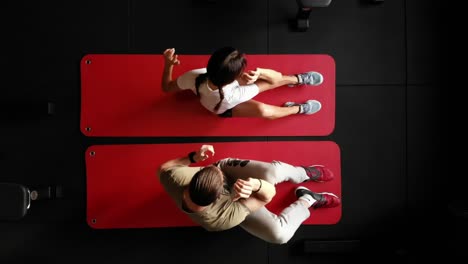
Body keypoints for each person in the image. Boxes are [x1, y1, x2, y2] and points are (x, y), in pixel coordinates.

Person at [157, 144, 341, 244]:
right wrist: (256, 185)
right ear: (220, 195)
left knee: (273, 172)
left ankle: (302, 173)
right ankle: (307, 199)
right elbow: (267, 196)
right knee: (279, 235)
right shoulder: (220, 219)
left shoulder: (174, 177)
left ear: (196, 178)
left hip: (228, 170)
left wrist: (193, 158)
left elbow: (164, 167)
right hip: (240, 201)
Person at [161, 47, 324, 119]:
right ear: (234, 77)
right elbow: (272, 80)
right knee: (263, 110)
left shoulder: (194, 75)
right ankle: (297, 109)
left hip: (220, 92)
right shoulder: (232, 96)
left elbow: (167, 87)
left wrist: (168, 64)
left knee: (261, 85)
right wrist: (261, 72)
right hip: (223, 108)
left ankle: (297, 80)